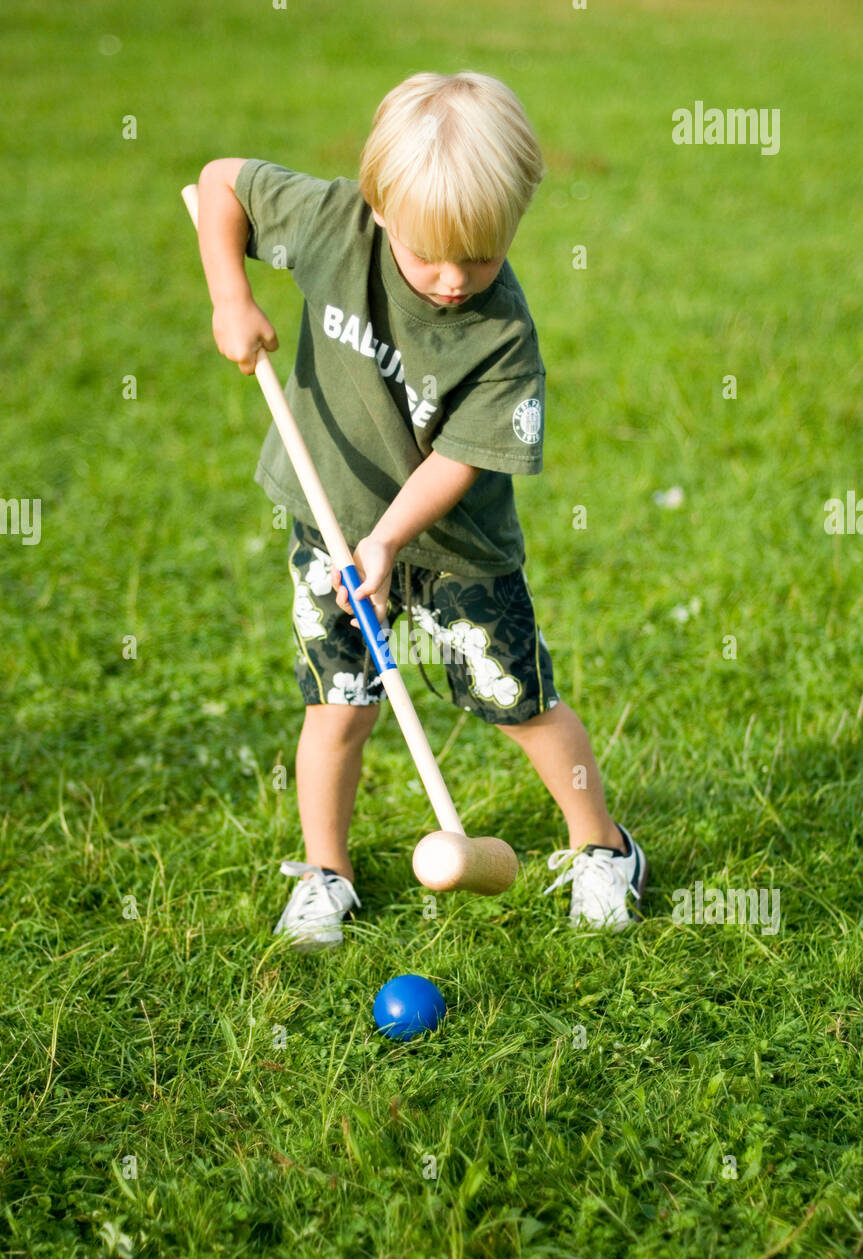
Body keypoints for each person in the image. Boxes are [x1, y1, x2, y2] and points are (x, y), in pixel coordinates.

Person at [195, 70, 647, 950]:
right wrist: (230, 295)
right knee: (338, 706)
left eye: (477, 257)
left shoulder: (503, 337)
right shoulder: (331, 222)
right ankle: (325, 873)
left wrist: (390, 536)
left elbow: (461, 459)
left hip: (454, 548)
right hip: (330, 522)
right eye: (426, 254)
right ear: (378, 206)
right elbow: (221, 182)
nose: (449, 279)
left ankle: (602, 849)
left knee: (521, 702)